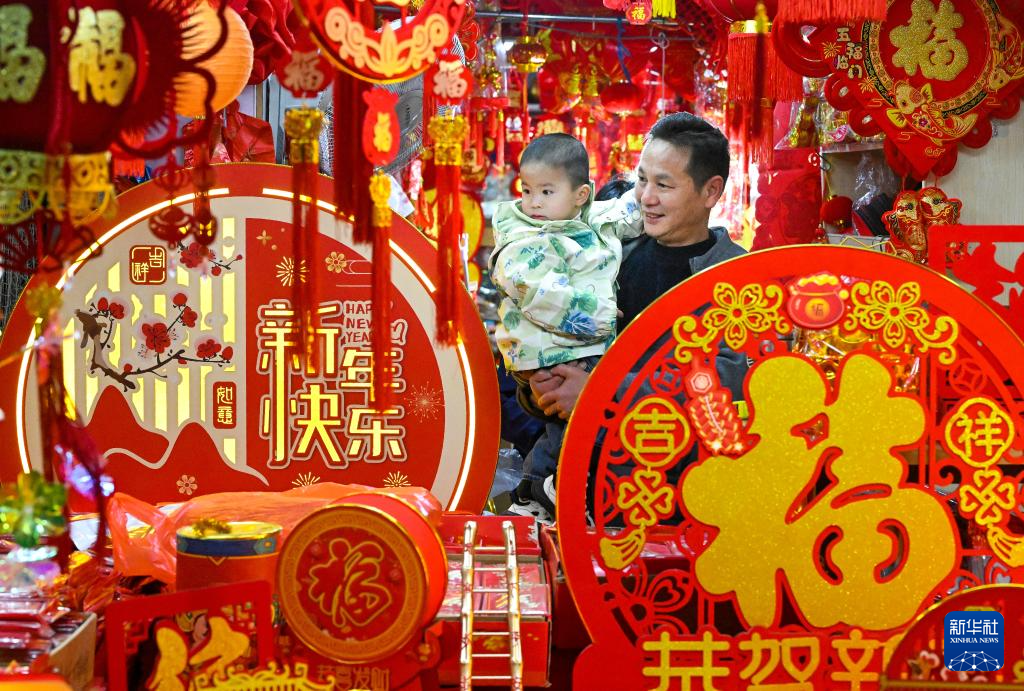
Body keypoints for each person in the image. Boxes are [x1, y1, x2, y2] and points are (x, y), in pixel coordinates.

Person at [518, 112, 748, 518]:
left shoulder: (737, 282)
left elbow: (728, 393)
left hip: (661, 503)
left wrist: (600, 393)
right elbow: (553, 354)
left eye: (664, 185)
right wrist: (538, 384)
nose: (646, 197)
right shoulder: (603, 255)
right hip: (561, 483)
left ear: (711, 191)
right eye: (642, 180)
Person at [488, 133, 642, 522]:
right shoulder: (525, 236)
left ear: (580, 195)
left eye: (546, 191)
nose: (534, 202)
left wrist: (644, 192)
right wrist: (599, 316)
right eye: (527, 190)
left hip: (566, 344)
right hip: (554, 344)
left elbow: (619, 214)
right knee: (575, 416)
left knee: (565, 421)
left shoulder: (578, 222)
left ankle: (537, 486)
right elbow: (538, 292)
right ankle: (549, 481)